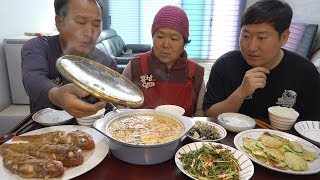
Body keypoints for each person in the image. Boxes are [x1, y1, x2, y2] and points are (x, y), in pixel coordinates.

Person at [203, 0, 320, 120]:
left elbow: (313, 125)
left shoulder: (306, 73)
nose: (251, 47)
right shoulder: (224, 65)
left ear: (284, 37)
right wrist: (241, 92)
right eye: (246, 36)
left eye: (261, 37)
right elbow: (210, 115)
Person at [21, 0, 118, 117]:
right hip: (44, 130)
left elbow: (109, 108)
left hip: (93, 129)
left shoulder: (107, 63)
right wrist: (57, 95)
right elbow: (32, 78)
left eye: (96, 24)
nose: (89, 33)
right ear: (59, 23)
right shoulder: (39, 47)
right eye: (81, 22)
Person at [122, 5, 205, 117]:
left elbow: (200, 112)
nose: (166, 45)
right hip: (140, 132)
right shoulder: (135, 66)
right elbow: (120, 103)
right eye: (160, 37)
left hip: (184, 133)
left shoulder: (195, 72)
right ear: (153, 37)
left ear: (184, 42)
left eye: (174, 38)